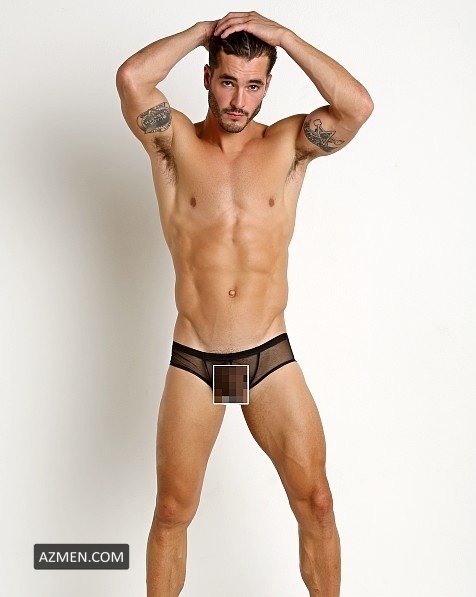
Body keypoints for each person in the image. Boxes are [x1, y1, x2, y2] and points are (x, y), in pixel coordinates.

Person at [116, 11, 373, 596]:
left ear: (268, 86)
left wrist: (284, 37)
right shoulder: (174, 143)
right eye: (229, 81)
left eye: (254, 86)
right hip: (197, 356)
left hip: (267, 355)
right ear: (208, 76)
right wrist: (203, 30)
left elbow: (356, 107)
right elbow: (132, 79)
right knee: (172, 512)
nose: (239, 100)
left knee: (317, 502)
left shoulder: (288, 145)